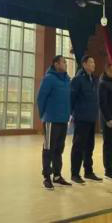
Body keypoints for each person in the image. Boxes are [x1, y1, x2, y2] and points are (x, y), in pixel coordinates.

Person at [37, 55, 72, 191]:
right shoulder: (49, 78)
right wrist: (44, 115)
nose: (66, 64)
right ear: (56, 64)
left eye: (66, 62)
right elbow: (41, 98)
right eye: (63, 62)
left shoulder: (67, 80)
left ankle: (57, 175)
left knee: (59, 149)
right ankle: (47, 177)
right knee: (48, 149)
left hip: (63, 120)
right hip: (51, 119)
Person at [70, 55, 102, 184]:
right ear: (84, 64)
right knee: (78, 146)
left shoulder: (94, 79)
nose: (93, 64)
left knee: (89, 146)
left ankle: (88, 172)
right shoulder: (78, 79)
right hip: (81, 118)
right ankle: (75, 174)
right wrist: (72, 114)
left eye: (94, 62)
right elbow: (71, 98)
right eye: (91, 62)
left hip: (91, 118)